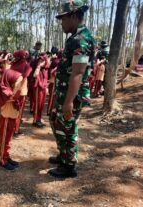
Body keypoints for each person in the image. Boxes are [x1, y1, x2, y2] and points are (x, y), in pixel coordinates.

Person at [49, 0, 95, 178]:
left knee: (67, 127)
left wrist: (68, 102)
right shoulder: (75, 37)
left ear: (74, 16)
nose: (62, 23)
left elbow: (78, 73)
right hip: (64, 92)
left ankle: (68, 166)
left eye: (63, 18)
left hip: (72, 96)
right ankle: (64, 155)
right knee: (58, 122)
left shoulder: (80, 40)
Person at [0, 69, 24, 170]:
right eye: (18, 82)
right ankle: (3, 159)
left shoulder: (11, 88)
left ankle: (6, 156)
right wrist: (19, 92)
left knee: (9, 139)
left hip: (12, 116)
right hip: (6, 117)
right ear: (10, 80)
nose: (20, 84)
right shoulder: (4, 90)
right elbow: (12, 96)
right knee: (4, 140)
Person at [10, 50, 32, 137]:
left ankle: (11, 129)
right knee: (18, 112)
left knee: (13, 110)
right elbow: (26, 76)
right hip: (21, 91)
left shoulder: (13, 65)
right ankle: (15, 131)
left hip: (13, 90)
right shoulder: (26, 65)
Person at [31, 53, 48, 128]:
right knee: (38, 104)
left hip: (43, 86)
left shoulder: (44, 69)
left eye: (43, 60)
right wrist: (39, 66)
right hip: (38, 87)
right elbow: (35, 75)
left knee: (41, 105)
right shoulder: (38, 68)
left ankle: (39, 119)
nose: (41, 62)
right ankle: (35, 121)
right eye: (40, 60)